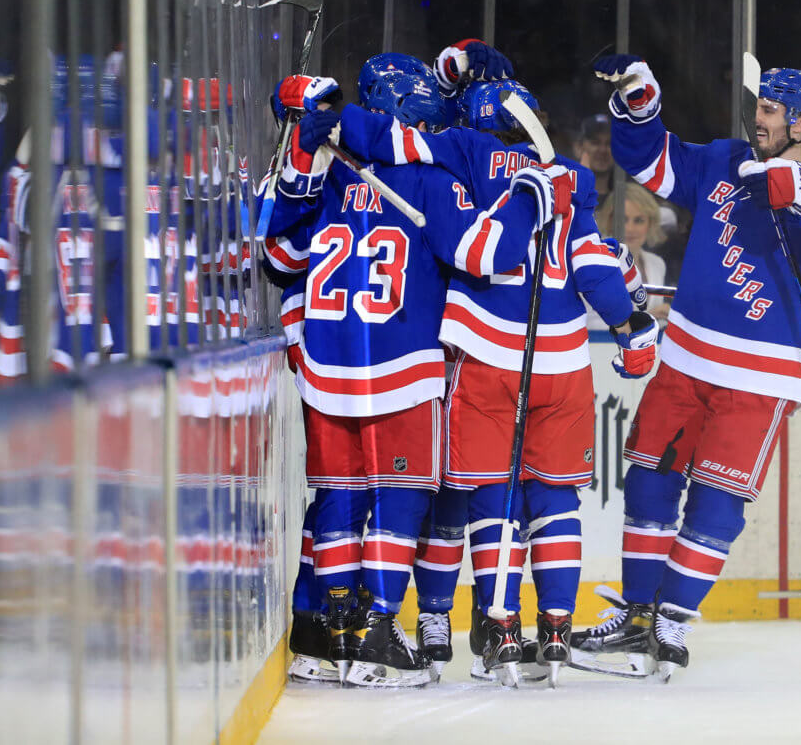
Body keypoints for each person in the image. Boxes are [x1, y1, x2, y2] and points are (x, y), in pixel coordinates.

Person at [334, 76, 658, 686]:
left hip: (487, 357)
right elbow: (591, 260)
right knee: (556, 501)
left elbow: (387, 137)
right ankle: (557, 629)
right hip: (562, 363)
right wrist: (629, 323)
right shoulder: (570, 175)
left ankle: (502, 631)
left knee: (493, 500)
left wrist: (327, 118)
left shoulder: (462, 151)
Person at [571, 55, 801, 680]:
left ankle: (672, 625)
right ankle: (636, 618)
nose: (756, 117)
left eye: (769, 109)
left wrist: (800, 190)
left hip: (760, 376)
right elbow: (650, 162)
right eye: (757, 106)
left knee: (717, 504)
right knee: (650, 481)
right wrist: (639, 103)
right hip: (684, 358)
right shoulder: (721, 162)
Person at [264, 66, 561, 687]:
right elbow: (485, 255)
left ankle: (325, 630)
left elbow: (279, 255)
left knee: (338, 496)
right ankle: (376, 630)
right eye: (426, 121)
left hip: (325, 362)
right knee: (399, 499)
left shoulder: (325, 172)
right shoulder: (428, 179)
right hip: (403, 362)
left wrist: (303, 152)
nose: (433, 131)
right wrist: (532, 197)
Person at [590, 182, 671, 326]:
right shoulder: (595, 263)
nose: (630, 228)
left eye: (639, 220)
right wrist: (648, 317)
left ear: (650, 223)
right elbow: (592, 324)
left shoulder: (657, 263)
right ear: (609, 222)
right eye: (623, 219)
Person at [575, 113, 616, 201]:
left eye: (609, 143)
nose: (602, 150)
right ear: (579, 148)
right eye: (595, 142)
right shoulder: (567, 198)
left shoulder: (626, 201)